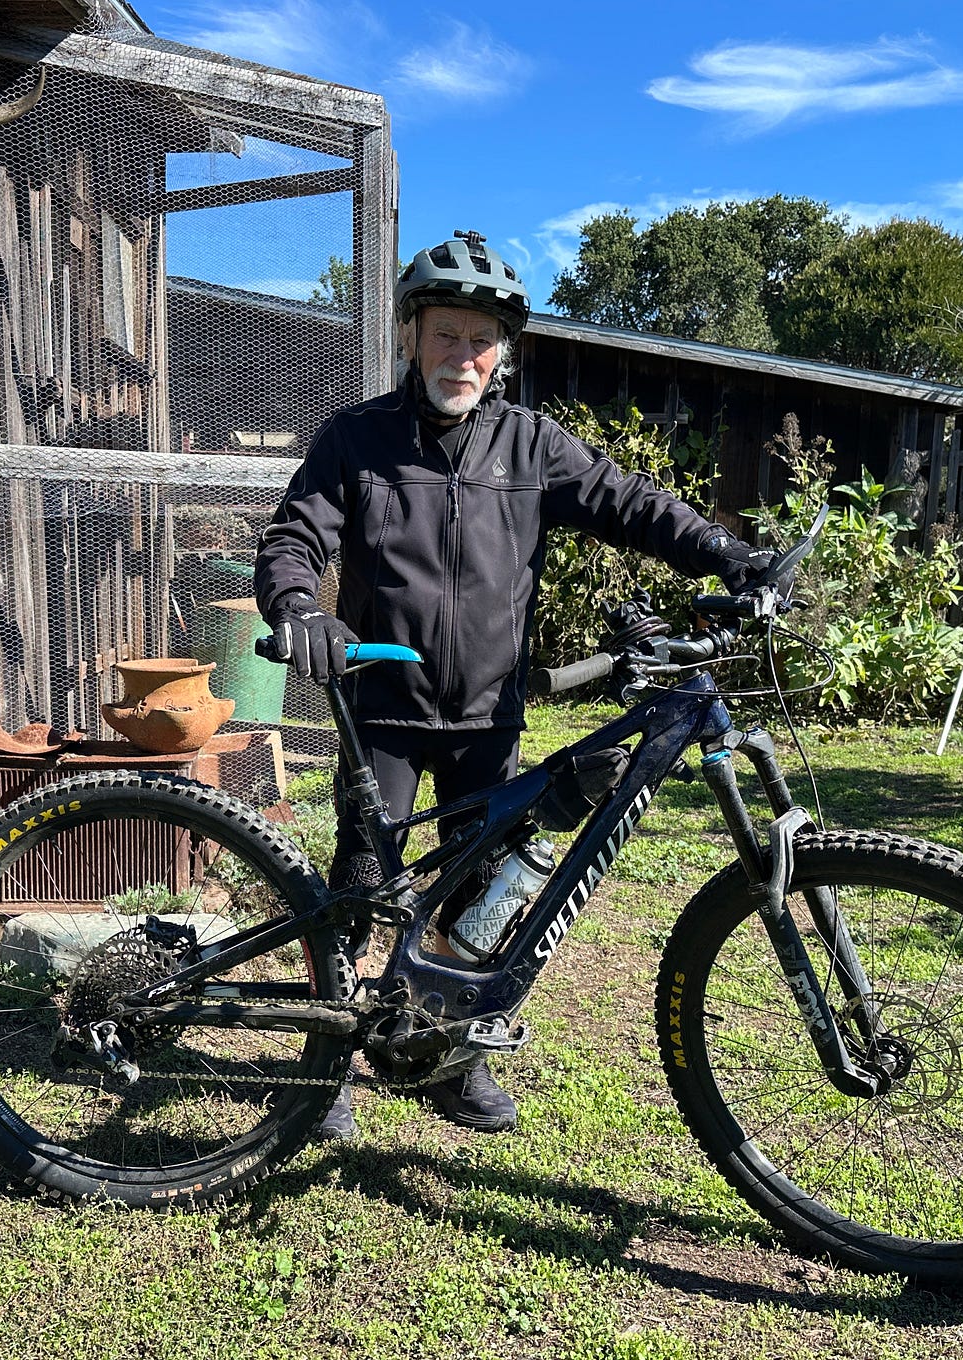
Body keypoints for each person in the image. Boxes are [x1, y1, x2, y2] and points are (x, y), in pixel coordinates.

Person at [254, 231, 771, 1139]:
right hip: (384, 708)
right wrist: (300, 608)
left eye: (481, 340)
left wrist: (726, 553)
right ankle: (327, 1057)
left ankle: (451, 1057)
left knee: (478, 891)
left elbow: (631, 502)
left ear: (504, 352)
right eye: (445, 334)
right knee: (360, 884)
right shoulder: (357, 439)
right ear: (411, 336)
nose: (463, 356)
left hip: (489, 711)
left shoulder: (531, 446)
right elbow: (295, 536)